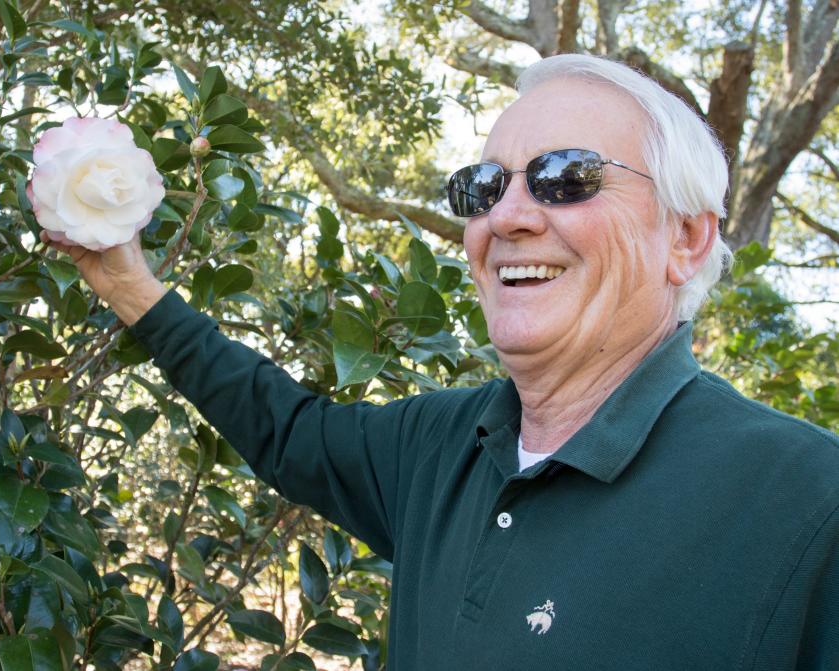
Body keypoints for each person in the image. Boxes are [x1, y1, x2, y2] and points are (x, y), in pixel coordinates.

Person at [44, 54, 839, 670]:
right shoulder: (439, 446)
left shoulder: (804, 499)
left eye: (568, 178)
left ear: (687, 239)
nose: (510, 215)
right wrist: (128, 284)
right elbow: (282, 425)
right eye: (483, 187)